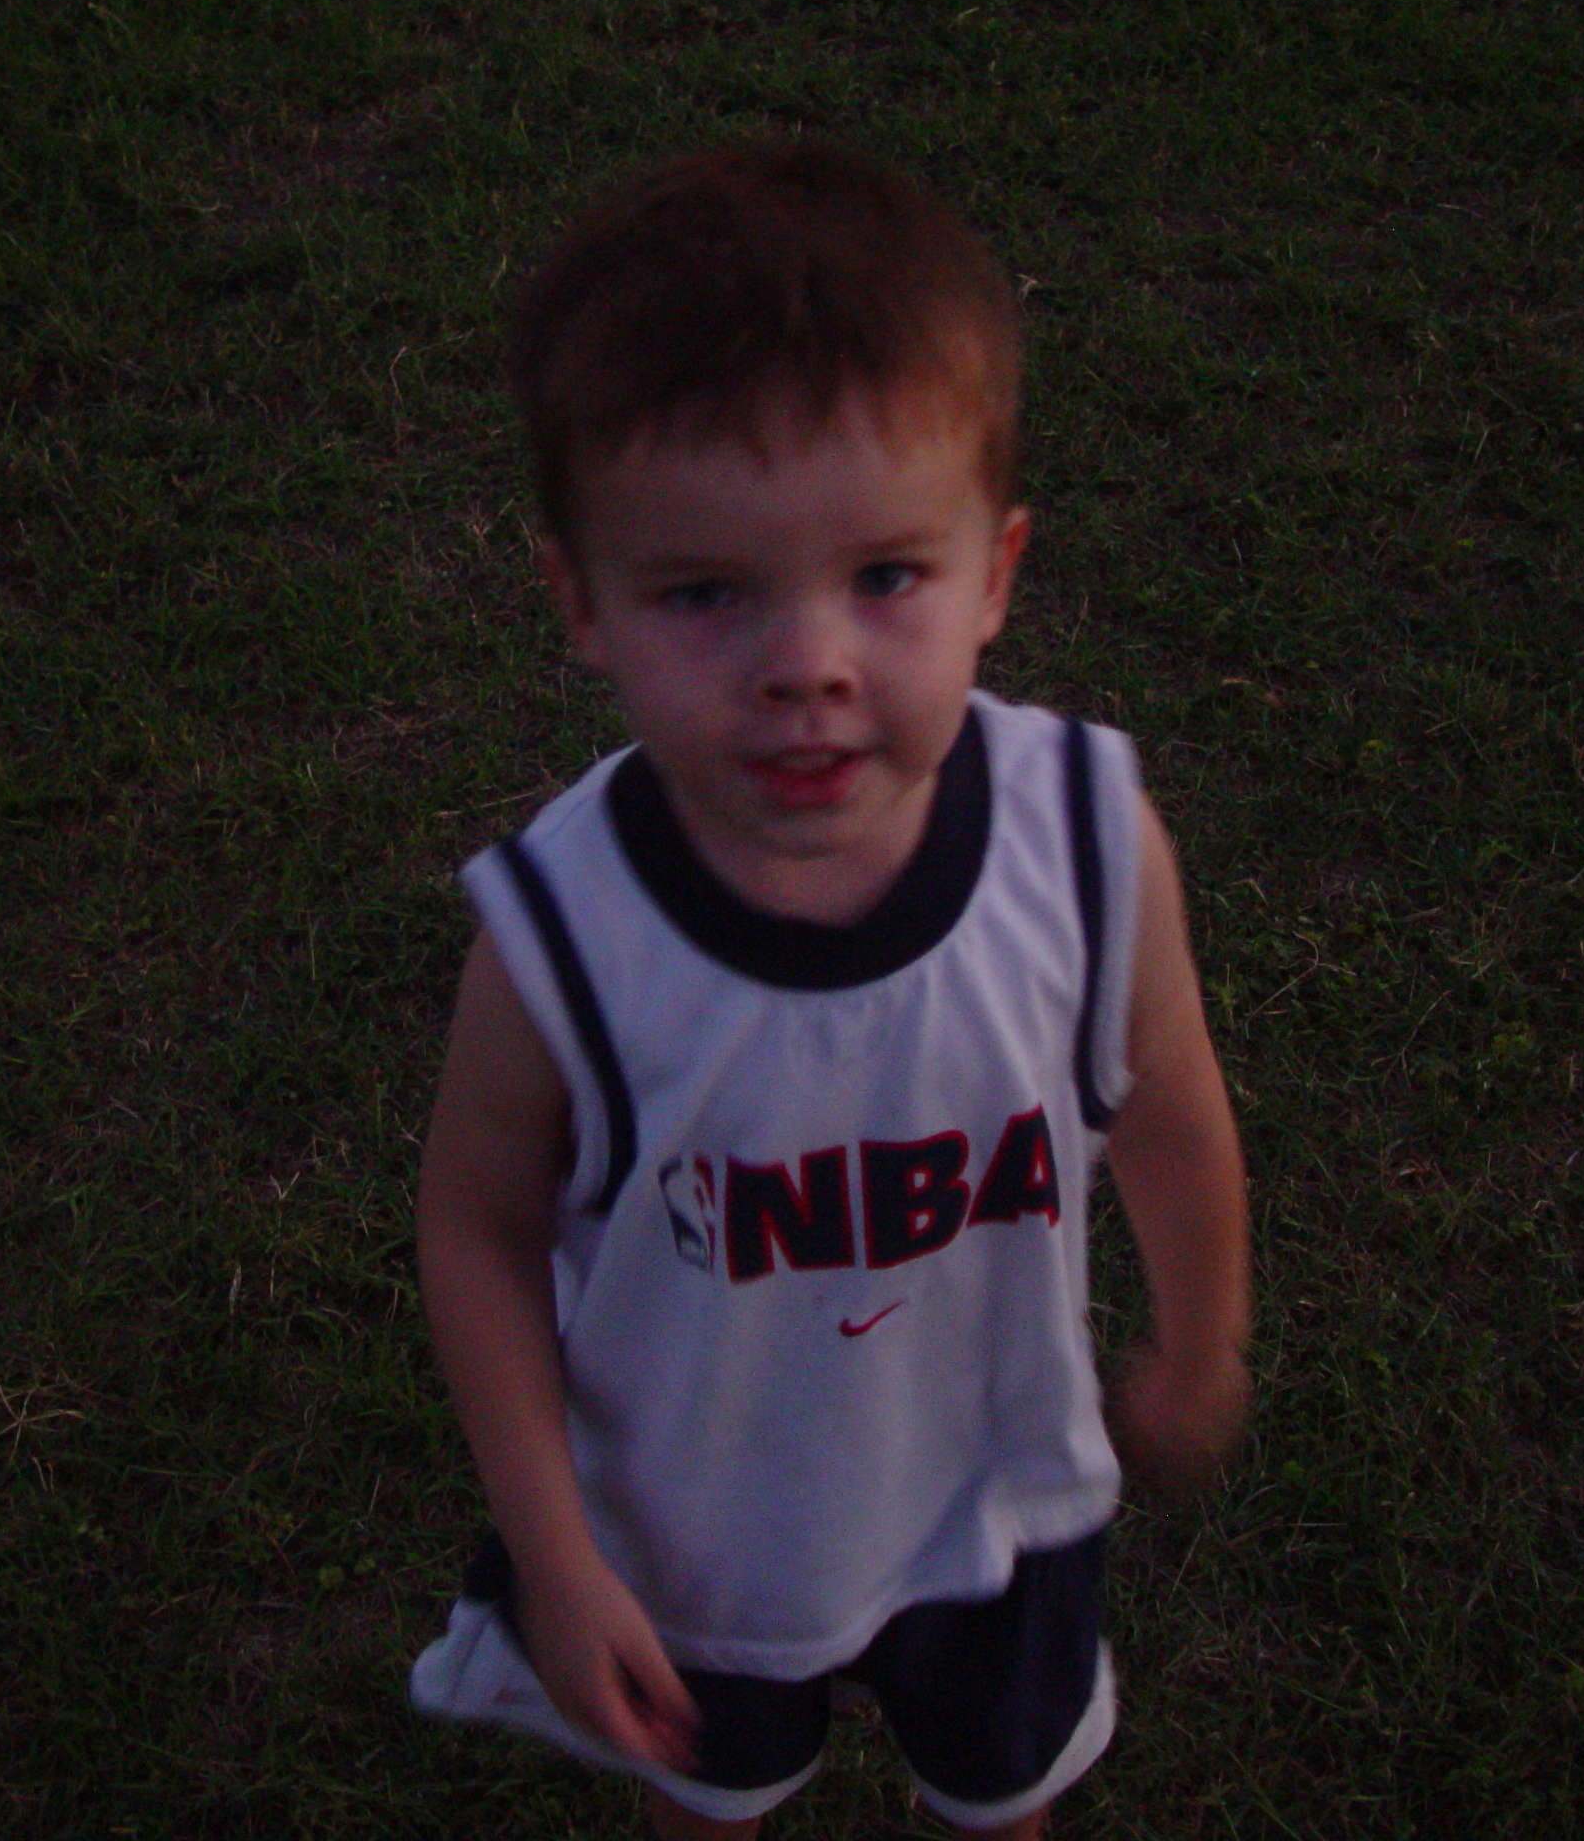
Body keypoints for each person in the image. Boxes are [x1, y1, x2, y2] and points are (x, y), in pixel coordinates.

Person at [408, 140, 1251, 1840]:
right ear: (582, 603)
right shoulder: (569, 934)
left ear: (997, 572)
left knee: (1001, 1799)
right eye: (707, 592)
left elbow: (1165, 1101)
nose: (808, 662)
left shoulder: (1085, 851)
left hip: (998, 1500)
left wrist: (1201, 1337)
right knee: (710, 1808)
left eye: (886, 576)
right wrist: (558, 1563)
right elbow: (476, 1226)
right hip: (688, 1537)